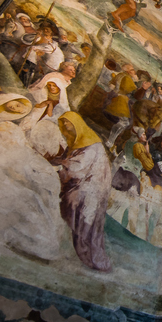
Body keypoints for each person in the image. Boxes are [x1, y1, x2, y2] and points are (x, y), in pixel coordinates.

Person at [52, 112, 112, 271]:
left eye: (68, 123)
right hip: (84, 186)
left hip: (90, 190)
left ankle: (89, 256)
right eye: (63, 124)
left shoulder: (91, 144)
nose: (66, 127)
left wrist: (60, 167)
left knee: (83, 220)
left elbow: (77, 170)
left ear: (77, 124)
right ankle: (84, 254)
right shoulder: (80, 142)